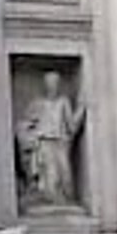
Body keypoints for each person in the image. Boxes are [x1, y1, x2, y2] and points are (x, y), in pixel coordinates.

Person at [17, 71, 84, 205]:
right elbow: (25, 123)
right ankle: (53, 201)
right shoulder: (38, 103)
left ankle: (65, 199)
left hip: (61, 142)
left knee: (65, 172)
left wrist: (81, 109)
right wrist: (31, 131)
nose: (52, 86)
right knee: (49, 175)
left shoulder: (63, 102)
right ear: (45, 85)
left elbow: (72, 125)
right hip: (44, 141)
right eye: (49, 83)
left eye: (55, 83)